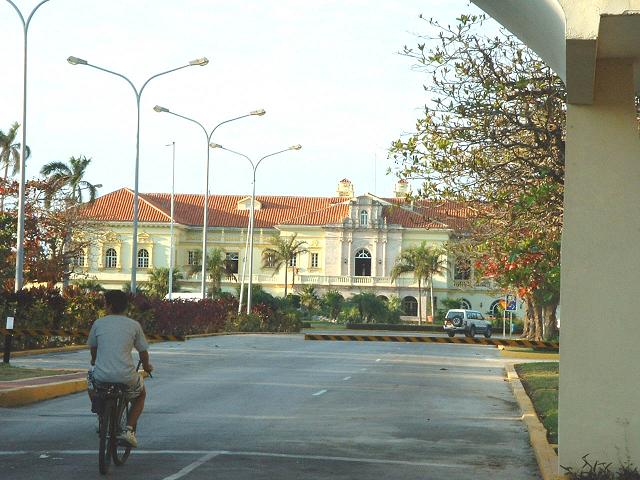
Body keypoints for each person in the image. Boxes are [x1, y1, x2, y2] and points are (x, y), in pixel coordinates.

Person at [87, 290, 153, 448]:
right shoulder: (134, 325)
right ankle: (129, 430)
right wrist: (146, 366)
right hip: (126, 376)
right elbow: (143, 352)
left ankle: (102, 416)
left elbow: (93, 348)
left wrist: (95, 360)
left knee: (91, 384)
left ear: (108, 305)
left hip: (102, 376)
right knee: (141, 395)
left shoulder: (98, 323)